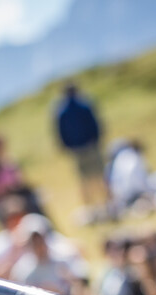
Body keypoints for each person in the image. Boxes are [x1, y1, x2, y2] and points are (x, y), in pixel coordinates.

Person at [54, 81, 108, 216]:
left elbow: (60, 132)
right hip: (90, 146)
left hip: (76, 149)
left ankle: (92, 209)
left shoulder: (61, 110)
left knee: (84, 180)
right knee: (99, 176)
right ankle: (106, 206)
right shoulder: (84, 104)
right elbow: (95, 123)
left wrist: (67, 146)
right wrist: (97, 139)